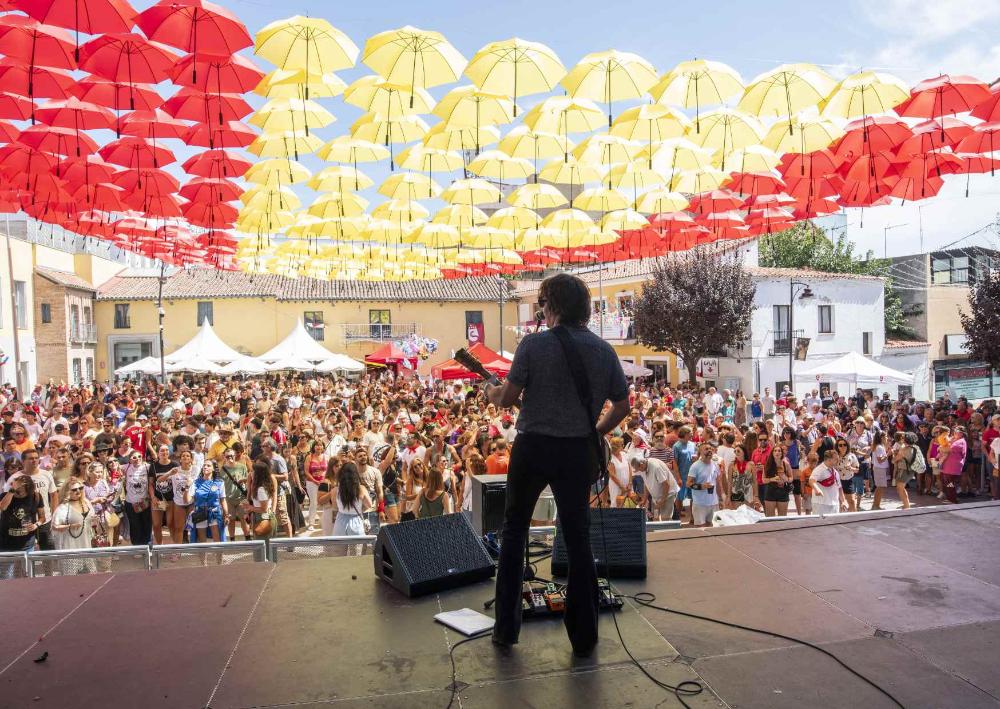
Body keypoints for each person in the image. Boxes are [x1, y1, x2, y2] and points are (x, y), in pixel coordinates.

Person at [485, 272, 629, 657]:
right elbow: (623, 405)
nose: (540, 312)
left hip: (533, 447)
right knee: (578, 538)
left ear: (553, 306)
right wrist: (594, 431)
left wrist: (491, 390)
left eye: (543, 305)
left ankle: (506, 630)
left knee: (514, 532)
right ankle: (584, 636)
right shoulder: (604, 351)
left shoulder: (533, 346)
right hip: (575, 452)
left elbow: (508, 397)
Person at [51, 479, 95, 572]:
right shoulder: (63, 507)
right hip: (70, 545)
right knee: (71, 577)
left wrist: (94, 520)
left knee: (89, 575)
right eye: (74, 490)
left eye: (80, 488)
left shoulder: (86, 502)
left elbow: (90, 520)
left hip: (86, 543)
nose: (78, 491)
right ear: (67, 492)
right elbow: (55, 527)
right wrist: (70, 526)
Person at [332, 462, 372, 554]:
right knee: (356, 555)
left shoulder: (335, 490)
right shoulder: (361, 489)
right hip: (356, 521)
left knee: (339, 554)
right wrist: (360, 509)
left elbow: (335, 507)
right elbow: (369, 505)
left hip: (340, 521)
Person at [189, 461, 227, 543]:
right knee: (201, 541)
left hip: (214, 512)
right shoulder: (195, 482)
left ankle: (218, 556)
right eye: (204, 465)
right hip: (200, 512)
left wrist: (226, 514)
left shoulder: (219, 483)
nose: (205, 467)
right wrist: (186, 488)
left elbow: (223, 500)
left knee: (217, 540)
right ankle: (203, 556)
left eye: (208, 465)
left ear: (213, 469)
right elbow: (188, 500)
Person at [122, 450, 152, 545]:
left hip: (145, 502)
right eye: (134, 457)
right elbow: (113, 466)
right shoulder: (126, 468)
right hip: (131, 502)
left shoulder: (147, 467)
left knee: (147, 524)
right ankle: (137, 547)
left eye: (139, 456)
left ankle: (147, 545)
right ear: (130, 460)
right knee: (135, 525)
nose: (137, 459)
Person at [810, 450, 846, 515]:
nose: (838, 460)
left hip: (834, 504)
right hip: (821, 504)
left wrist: (843, 501)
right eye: (836, 459)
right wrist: (817, 489)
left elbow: (840, 488)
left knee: (834, 525)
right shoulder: (819, 469)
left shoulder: (835, 472)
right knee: (821, 525)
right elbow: (811, 480)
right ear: (829, 460)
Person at [762, 444, 792, 517]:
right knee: (770, 518)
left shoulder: (786, 464)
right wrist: (772, 479)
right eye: (775, 451)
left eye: (779, 451)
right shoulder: (767, 465)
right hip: (770, 491)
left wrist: (786, 479)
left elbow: (791, 478)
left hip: (783, 491)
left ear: (782, 453)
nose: (777, 452)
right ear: (772, 453)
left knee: (782, 518)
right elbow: (763, 480)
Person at [302, 440, 327, 529]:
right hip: (312, 483)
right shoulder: (309, 457)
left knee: (325, 502)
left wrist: (325, 480)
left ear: (323, 447)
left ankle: (324, 521)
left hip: (324, 483)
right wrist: (314, 481)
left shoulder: (326, 457)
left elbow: (328, 470)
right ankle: (311, 523)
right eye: (317, 445)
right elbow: (306, 471)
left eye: (320, 445)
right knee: (313, 502)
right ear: (313, 447)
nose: (319, 447)